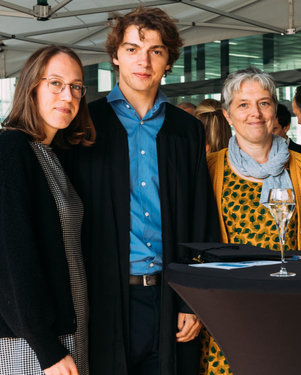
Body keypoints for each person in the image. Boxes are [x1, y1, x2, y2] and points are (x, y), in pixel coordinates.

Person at [65, 7, 219, 375]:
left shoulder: (187, 131)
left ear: (168, 61)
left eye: (156, 50)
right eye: (132, 48)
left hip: (171, 297)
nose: (143, 60)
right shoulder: (85, 124)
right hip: (103, 297)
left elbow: (201, 216)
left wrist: (193, 301)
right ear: (115, 55)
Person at [200, 66, 301, 375]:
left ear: (274, 110)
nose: (254, 113)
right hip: (228, 310)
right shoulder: (209, 168)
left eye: (264, 103)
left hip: (291, 307)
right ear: (228, 115)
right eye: (243, 104)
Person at [0, 45, 95, 375]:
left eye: (76, 86)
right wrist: (46, 347)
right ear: (31, 87)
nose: (67, 95)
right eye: (55, 83)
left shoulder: (51, 154)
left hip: (67, 329)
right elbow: (12, 258)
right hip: (31, 342)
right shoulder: (11, 150)